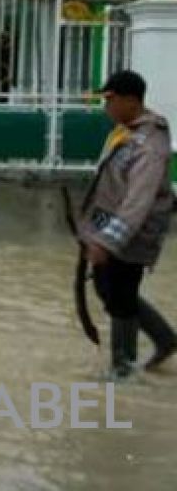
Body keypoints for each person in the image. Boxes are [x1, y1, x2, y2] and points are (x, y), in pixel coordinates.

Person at [78, 70, 175, 379]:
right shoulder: (125, 132)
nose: (106, 106)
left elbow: (138, 202)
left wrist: (107, 242)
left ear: (131, 101)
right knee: (110, 290)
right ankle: (164, 340)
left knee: (119, 295)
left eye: (110, 100)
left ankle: (123, 370)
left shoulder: (149, 145)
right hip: (111, 228)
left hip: (132, 234)